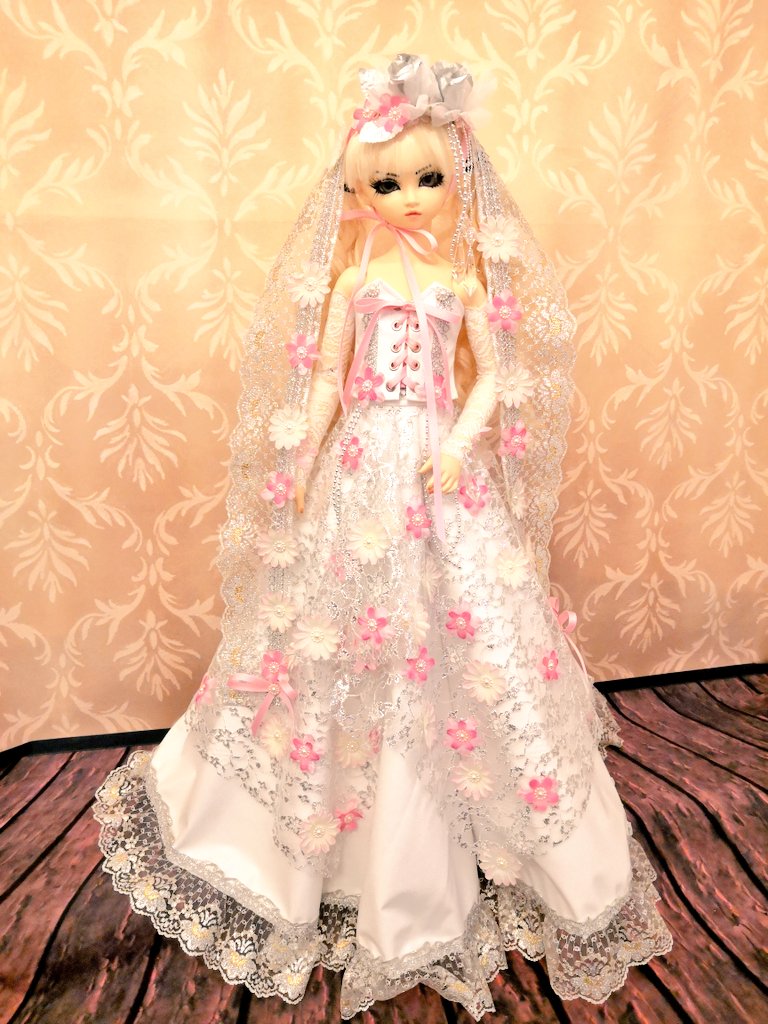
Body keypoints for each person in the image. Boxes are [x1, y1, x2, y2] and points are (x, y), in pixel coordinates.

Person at [94, 55, 672, 1019]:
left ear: (457, 178)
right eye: (387, 182)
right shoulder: (355, 277)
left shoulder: (462, 280)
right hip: (361, 466)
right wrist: (301, 457)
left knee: (469, 636)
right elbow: (327, 377)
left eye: (427, 178)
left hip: (440, 473)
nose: (408, 197)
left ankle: (479, 844)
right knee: (339, 631)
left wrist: (458, 445)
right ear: (360, 188)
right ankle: (318, 844)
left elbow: (496, 375)